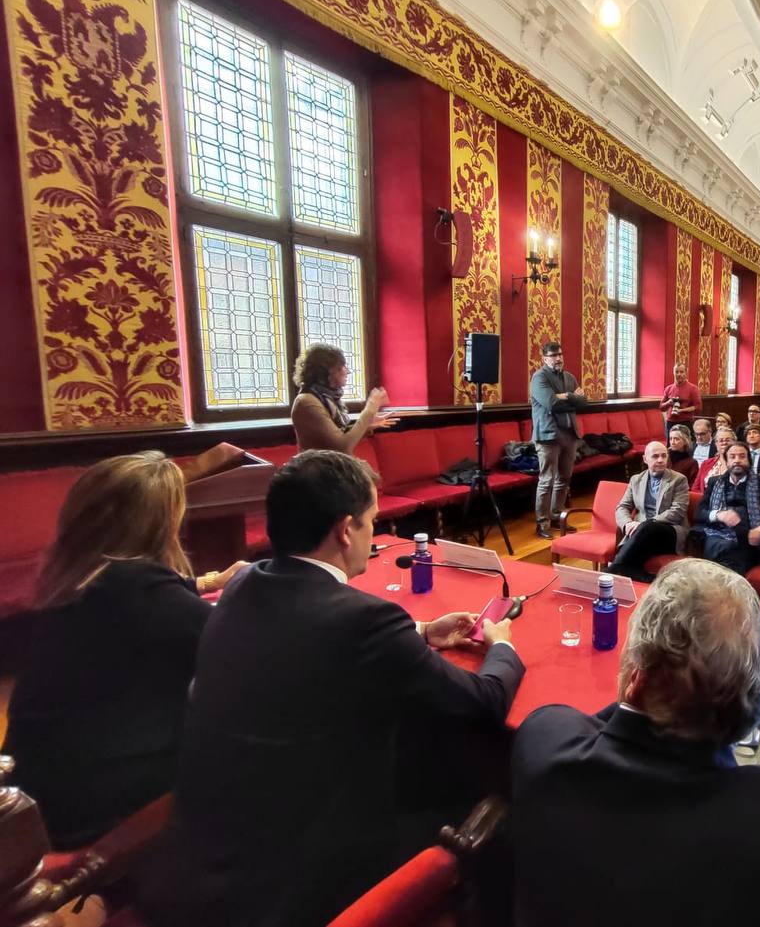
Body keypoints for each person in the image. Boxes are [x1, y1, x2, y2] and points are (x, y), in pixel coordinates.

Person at [140, 450, 524, 927]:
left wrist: (422, 632)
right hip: (305, 873)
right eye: (370, 522)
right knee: (501, 808)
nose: (370, 533)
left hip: (209, 848)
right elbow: (482, 702)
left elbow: (310, 632)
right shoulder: (365, 620)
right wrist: (503, 646)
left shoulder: (243, 586)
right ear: (345, 530)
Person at [509, 559, 760, 927]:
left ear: (636, 676)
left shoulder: (545, 740)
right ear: (755, 695)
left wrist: (652, 684)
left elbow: (609, 723)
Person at [3, 453, 247, 850]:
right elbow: (249, 658)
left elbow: (140, 596)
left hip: (35, 786)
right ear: (159, 526)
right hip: (89, 811)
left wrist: (205, 582)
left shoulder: (78, 578)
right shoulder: (151, 603)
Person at [605, 442, 690, 582]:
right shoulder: (636, 480)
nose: (661, 460)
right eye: (655, 456)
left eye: (664, 456)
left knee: (646, 528)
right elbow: (622, 507)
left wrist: (643, 524)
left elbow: (677, 512)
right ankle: (641, 575)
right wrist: (627, 524)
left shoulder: (679, 480)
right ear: (645, 459)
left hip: (670, 530)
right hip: (643, 533)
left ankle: (613, 569)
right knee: (635, 547)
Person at [291, 343, 398, 452]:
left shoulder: (328, 398)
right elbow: (342, 447)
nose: (347, 371)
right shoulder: (307, 401)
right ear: (327, 371)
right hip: (320, 467)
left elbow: (341, 438)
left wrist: (367, 425)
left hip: (334, 465)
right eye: (341, 367)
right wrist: (370, 410)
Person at [693, 443, 760, 574]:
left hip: (749, 537)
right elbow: (699, 513)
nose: (737, 460)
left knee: (731, 553)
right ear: (726, 461)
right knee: (724, 549)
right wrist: (719, 515)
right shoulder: (714, 482)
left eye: (742, 456)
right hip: (718, 535)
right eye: (732, 457)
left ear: (749, 460)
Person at [530, 341, 588, 539]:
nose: (558, 358)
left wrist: (566, 396)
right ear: (545, 358)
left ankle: (556, 516)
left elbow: (583, 401)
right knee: (547, 480)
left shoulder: (569, 377)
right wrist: (571, 398)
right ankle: (542, 523)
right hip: (548, 435)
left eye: (560, 354)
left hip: (569, 434)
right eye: (553, 355)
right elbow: (551, 403)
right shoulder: (539, 378)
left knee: (564, 478)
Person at [658, 362, 702, 434]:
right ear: (673, 373)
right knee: (670, 445)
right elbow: (661, 407)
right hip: (670, 422)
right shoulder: (668, 388)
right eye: (676, 372)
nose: (679, 374)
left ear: (686, 373)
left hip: (686, 422)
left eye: (681, 372)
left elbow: (698, 407)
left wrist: (682, 410)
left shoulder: (693, 388)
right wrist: (668, 403)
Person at [693, 427, 737, 492]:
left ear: (734, 442)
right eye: (721, 440)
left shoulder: (739, 464)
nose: (724, 443)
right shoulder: (706, 463)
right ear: (716, 444)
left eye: (727, 440)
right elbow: (695, 488)